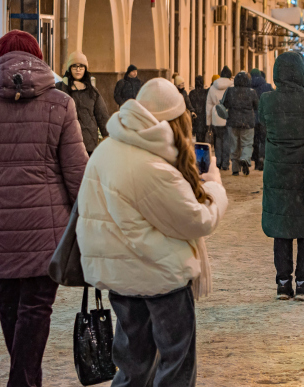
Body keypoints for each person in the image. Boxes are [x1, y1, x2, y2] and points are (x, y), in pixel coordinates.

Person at [0, 30, 89, 386]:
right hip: (49, 230)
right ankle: (24, 381)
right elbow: (78, 174)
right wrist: (91, 225)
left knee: (10, 307)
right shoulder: (61, 103)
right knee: (36, 311)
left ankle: (24, 379)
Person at [76, 78, 227, 387]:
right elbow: (197, 220)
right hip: (162, 278)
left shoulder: (107, 149)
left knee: (133, 365)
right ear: (177, 119)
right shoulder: (153, 167)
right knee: (176, 364)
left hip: (120, 277)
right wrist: (213, 187)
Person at [259, 52, 304, 300]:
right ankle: (303, 282)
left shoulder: (267, 100)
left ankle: (282, 284)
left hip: (278, 175)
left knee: (282, 230)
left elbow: (261, 124)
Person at [56, 51, 110, 155]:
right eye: (74, 66)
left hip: (89, 143)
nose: (78, 69)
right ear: (69, 69)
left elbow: (102, 115)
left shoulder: (92, 92)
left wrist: (107, 135)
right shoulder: (60, 89)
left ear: (85, 69)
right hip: (67, 141)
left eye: (81, 66)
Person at [222, 71, 259, 176]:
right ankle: (245, 158)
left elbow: (224, 104)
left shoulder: (230, 91)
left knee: (234, 145)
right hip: (247, 122)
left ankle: (235, 168)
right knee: (247, 143)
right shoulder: (251, 92)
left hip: (232, 121)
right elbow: (257, 106)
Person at [206, 66, 233, 170]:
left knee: (218, 139)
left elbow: (208, 105)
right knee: (227, 140)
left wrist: (208, 122)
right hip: (228, 115)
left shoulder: (213, 87)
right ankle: (226, 163)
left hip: (215, 115)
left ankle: (218, 161)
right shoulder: (232, 86)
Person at [249, 68, 274, 171]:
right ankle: (262, 158)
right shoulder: (267, 86)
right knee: (263, 140)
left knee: (254, 140)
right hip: (265, 117)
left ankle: (255, 159)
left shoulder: (248, 87)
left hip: (251, 118)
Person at [189, 75, 210, 142]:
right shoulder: (206, 92)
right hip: (204, 118)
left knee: (197, 137)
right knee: (203, 137)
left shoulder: (192, 93)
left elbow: (190, 105)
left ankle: (198, 150)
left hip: (195, 118)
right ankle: (202, 150)